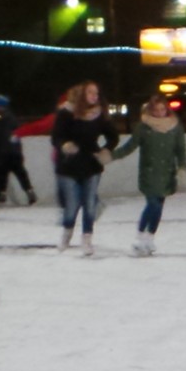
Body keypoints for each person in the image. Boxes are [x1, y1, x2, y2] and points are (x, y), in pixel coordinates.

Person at [112, 94, 186, 256]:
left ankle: (149, 237)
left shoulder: (175, 127)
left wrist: (182, 167)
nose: (160, 113)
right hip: (149, 172)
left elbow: (180, 149)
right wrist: (111, 156)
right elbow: (130, 146)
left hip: (166, 172)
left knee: (158, 206)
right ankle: (140, 235)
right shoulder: (144, 127)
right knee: (152, 203)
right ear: (150, 110)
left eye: (163, 109)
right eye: (156, 110)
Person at [51, 81, 118, 255]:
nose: (94, 97)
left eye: (96, 93)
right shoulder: (66, 113)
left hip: (91, 164)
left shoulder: (99, 115)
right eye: (90, 93)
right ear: (82, 94)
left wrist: (106, 150)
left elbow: (114, 136)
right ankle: (66, 234)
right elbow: (56, 137)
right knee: (72, 204)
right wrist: (64, 145)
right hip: (69, 165)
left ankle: (87, 239)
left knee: (89, 204)